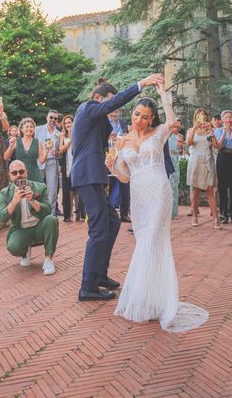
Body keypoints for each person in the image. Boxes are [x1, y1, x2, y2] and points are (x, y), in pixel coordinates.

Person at [109, 82, 209, 332]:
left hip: (159, 191)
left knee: (154, 240)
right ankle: (150, 300)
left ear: (152, 119)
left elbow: (172, 118)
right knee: (145, 242)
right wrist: (111, 166)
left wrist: (163, 95)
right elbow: (125, 177)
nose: (139, 120)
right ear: (131, 113)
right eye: (136, 115)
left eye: (145, 117)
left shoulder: (159, 132)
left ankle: (149, 301)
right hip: (139, 195)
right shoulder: (121, 141)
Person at [71, 74, 163, 301]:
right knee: (98, 230)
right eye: (109, 102)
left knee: (112, 222)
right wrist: (140, 85)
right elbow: (113, 104)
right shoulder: (88, 107)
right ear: (97, 98)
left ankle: (99, 275)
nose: (113, 110)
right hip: (86, 176)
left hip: (94, 175)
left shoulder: (97, 118)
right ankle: (88, 287)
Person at [0, 160, 59, 275]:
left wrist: (32, 200)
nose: (18, 175)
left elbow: (48, 210)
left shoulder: (40, 187)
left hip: (39, 226)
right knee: (13, 247)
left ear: (27, 172)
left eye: (21, 171)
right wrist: (14, 201)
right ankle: (25, 252)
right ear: (9, 175)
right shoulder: (5, 193)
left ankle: (48, 259)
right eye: (14, 173)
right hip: (21, 229)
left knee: (52, 220)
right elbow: (2, 218)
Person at [186, 109, 220, 228]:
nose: (202, 117)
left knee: (210, 190)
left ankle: (216, 219)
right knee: (195, 192)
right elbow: (188, 143)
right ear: (195, 117)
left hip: (208, 161)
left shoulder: (211, 130)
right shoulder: (191, 130)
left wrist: (211, 132)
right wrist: (195, 128)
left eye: (204, 115)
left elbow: (217, 146)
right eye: (199, 115)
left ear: (206, 117)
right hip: (195, 162)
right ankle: (195, 216)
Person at [35, 110, 61, 216]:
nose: (53, 120)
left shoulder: (59, 134)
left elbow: (61, 152)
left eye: (55, 118)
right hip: (39, 161)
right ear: (47, 117)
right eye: (51, 117)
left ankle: (51, 214)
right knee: (37, 187)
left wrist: (57, 153)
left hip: (52, 162)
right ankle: (37, 212)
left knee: (53, 190)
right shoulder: (37, 130)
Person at [107, 109, 131, 222]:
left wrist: (126, 136)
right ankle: (108, 213)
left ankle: (124, 214)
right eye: (113, 110)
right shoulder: (105, 123)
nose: (115, 112)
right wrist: (108, 139)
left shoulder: (123, 123)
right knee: (109, 185)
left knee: (125, 185)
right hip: (109, 156)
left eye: (117, 110)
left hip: (122, 157)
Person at [16, 117, 47, 183]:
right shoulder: (16, 141)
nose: (29, 129)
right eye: (27, 126)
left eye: (31, 127)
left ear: (34, 129)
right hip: (20, 173)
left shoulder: (38, 143)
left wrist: (47, 151)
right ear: (21, 129)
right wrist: (10, 146)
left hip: (34, 174)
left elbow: (41, 161)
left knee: (37, 192)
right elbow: (6, 157)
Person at [59, 115, 76, 222]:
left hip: (76, 163)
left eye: (69, 122)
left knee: (76, 189)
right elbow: (61, 150)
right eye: (65, 123)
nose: (67, 125)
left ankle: (79, 212)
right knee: (67, 190)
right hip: (67, 164)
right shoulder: (62, 135)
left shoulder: (77, 133)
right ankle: (68, 213)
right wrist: (69, 142)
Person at [168, 119, 183, 219]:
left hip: (176, 161)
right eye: (175, 126)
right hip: (168, 160)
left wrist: (180, 147)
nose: (176, 128)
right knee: (169, 185)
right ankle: (167, 211)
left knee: (175, 185)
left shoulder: (180, 137)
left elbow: (181, 152)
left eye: (178, 127)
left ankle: (174, 212)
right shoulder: (167, 135)